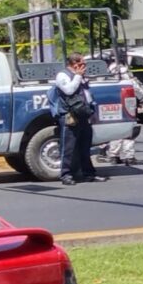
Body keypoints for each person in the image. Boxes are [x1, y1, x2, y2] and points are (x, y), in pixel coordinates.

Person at [55, 53, 107, 185]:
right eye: (83, 64)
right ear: (75, 64)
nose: (85, 67)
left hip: (84, 114)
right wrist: (78, 76)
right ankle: (66, 175)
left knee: (85, 147)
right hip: (70, 116)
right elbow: (69, 90)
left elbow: (87, 94)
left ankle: (89, 173)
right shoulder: (63, 75)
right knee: (69, 147)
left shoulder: (82, 77)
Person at [107, 57, 142, 166]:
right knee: (129, 129)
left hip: (112, 101)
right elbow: (133, 86)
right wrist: (142, 97)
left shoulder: (107, 72)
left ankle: (113, 155)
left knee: (115, 128)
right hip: (126, 102)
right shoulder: (122, 70)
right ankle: (129, 157)